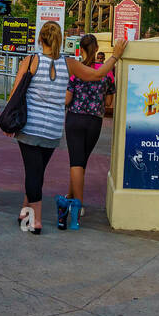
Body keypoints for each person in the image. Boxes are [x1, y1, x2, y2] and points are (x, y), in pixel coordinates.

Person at [4, 21, 125, 233]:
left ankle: (36, 220)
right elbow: (97, 75)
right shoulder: (69, 64)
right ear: (60, 40)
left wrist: (8, 120)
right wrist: (115, 56)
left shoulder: (31, 60)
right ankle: (25, 210)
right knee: (37, 171)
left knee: (33, 173)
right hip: (52, 130)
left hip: (30, 127)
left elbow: (15, 92)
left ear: (40, 39)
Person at [60, 34, 114, 229]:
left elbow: (67, 99)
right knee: (81, 162)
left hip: (75, 118)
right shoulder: (106, 72)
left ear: (80, 49)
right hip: (94, 121)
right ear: (97, 47)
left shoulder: (76, 70)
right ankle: (70, 196)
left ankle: (77, 206)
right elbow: (109, 102)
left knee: (76, 162)